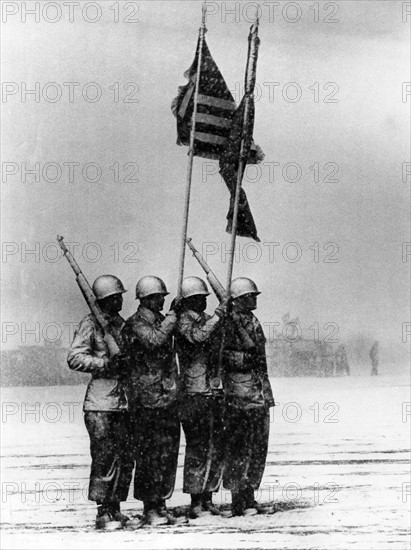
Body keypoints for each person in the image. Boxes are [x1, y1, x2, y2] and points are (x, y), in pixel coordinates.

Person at [67, 275, 134, 531]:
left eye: (120, 295)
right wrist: (105, 364)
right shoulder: (90, 324)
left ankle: (115, 508)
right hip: (101, 403)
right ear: (104, 299)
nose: (120, 300)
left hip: (123, 402)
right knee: (105, 457)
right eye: (115, 297)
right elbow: (75, 357)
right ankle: (103, 512)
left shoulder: (120, 324)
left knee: (124, 456)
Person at [121, 276, 181, 526]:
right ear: (146, 299)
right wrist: (172, 317)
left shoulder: (161, 320)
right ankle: (150, 508)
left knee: (166, 455)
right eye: (159, 297)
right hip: (145, 400)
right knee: (149, 456)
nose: (162, 300)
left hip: (166, 397)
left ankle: (161, 503)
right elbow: (155, 341)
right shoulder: (135, 323)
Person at [221, 277, 275, 517]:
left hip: (259, 393)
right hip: (239, 394)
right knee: (239, 449)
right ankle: (238, 500)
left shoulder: (252, 321)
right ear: (239, 299)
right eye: (250, 296)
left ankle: (250, 496)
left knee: (257, 449)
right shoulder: (227, 323)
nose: (254, 299)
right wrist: (244, 360)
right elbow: (221, 354)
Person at [175, 276, 228, 518]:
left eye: (204, 298)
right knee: (197, 448)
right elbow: (197, 337)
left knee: (216, 447)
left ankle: (208, 497)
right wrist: (218, 318)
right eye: (197, 298)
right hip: (193, 393)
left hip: (213, 391)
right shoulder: (181, 321)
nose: (203, 302)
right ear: (187, 301)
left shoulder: (209, 320)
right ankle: (196, 500)